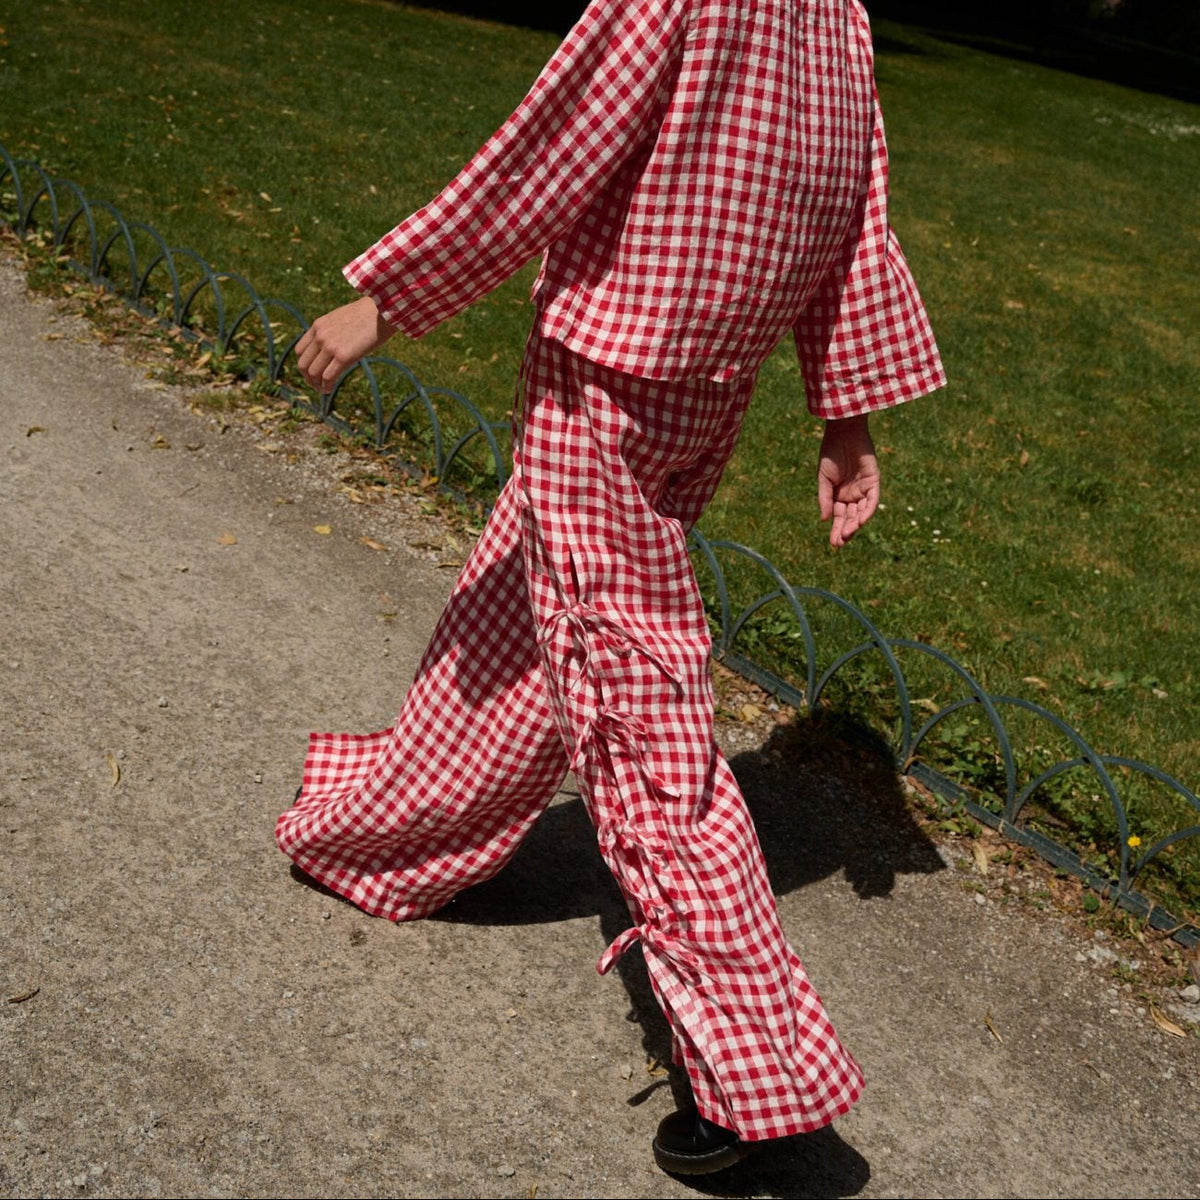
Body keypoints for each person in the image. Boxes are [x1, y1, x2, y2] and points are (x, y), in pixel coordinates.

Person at [278, 0, 945, 1175]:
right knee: (527, 619)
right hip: (701, 396)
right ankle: (381, 831)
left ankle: (754, 1076)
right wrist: (847, 417)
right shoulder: (838, 19)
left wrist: (391, 299)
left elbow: (553, 147)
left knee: (638, 721)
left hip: (609, 384)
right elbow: (849, 216)